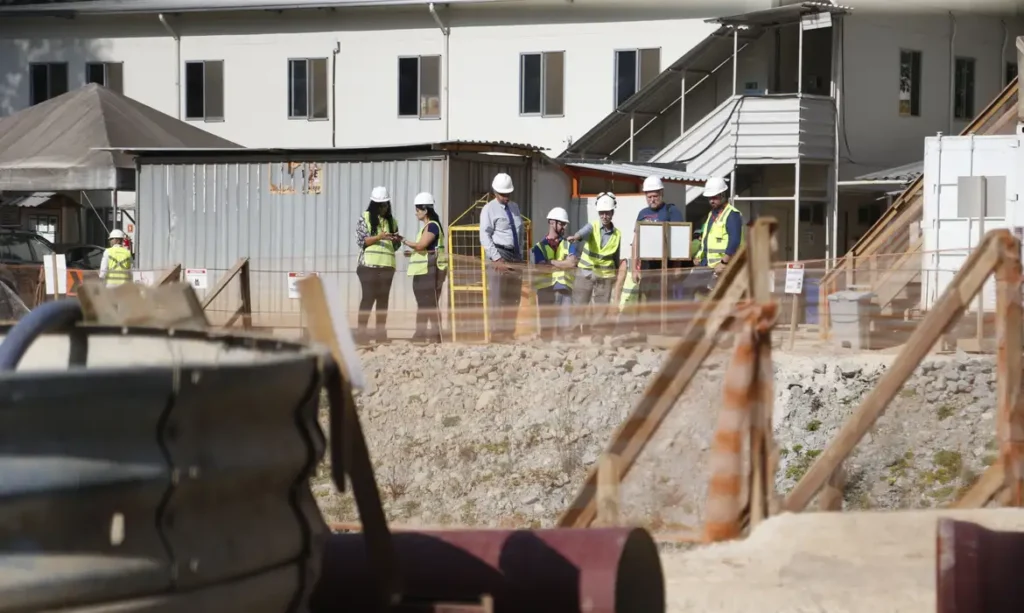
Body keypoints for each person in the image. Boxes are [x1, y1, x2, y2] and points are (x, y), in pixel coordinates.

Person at [479, 172, 526, 342]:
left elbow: (520, 231)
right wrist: (496, 258)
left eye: (508, 194)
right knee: (498, 297)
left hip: (515, 255)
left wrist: (520, 254)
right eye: (502, 194)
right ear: (495, 193)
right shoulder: (489, 209)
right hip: (499, 253)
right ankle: (497, 334)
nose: (506, 197)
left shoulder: (514, 207)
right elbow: (485, 235)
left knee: (513, 297)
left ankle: (509, 332)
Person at [568, 192, 621, 338]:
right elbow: (583, 232)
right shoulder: (593, 226)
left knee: (601, 308)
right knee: (579, 304)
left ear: (612, 212)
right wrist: (576, 237)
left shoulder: (617, 234)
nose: (604, 216)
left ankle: (597, 335)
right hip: (586, 272)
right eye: (602, 213)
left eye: (607, 213)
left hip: (605, 275)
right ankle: (572, 332)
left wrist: (616, 273)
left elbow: (616, 255)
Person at [354, 186, 401, 343]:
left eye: (386, 204)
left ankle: (381, 334)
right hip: (368, 266)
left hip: (387, 266)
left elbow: (396, 246)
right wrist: (379, 236)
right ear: (374, 205)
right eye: (381, 205)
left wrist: (396, 240)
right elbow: (362, 240)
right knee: (368, 298)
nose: (384, 208)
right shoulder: (365, 217)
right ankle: (361, 334)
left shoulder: (392, 221)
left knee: (383, 301)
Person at [632, 175, 685, 305]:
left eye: (655, 196)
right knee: (650, 301)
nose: (652, 200)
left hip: (666, 267)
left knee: (666, 302)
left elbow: (680, 239)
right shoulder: (642, 213)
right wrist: (634, 268)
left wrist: (677, 267)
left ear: (661, 193)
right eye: (649, 197)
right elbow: (635, 242)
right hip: (647, 266)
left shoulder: (672, 211)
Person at [688, 176, 744, 297]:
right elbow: (706, 240)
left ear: (723, 195)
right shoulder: (711, 215)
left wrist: (724, 263)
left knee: (715, 298)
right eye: (709, 198)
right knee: (689, 290)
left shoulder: (732, 215)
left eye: (714, 197)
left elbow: (734, 241)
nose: (711, 201)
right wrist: (698, 256)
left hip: (721, 267)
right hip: (706, 265)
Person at [403, 192, 448, 343]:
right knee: (427, 304)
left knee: (427, 304)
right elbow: (423, 248)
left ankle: (425, 335)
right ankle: (429, 335)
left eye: (417, 210)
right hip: (426, 270)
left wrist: (403, 240)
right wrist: (412, 252)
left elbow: (422, 245)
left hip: (430, 271)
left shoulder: (433, 226)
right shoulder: (429, 227)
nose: (416, 213)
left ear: (425, 210)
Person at [530, 207, 577, 340]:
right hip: (545, 289)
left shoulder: (568, 244)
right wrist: (562, 263)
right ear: (552, 223)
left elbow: (572, 263)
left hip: (564, 288)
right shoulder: (538, 247)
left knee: (565, 327)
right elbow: (541, 267)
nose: (564, 227)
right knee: (547, 327)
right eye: (561, 223)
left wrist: (551, 262)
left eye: (564, 224)